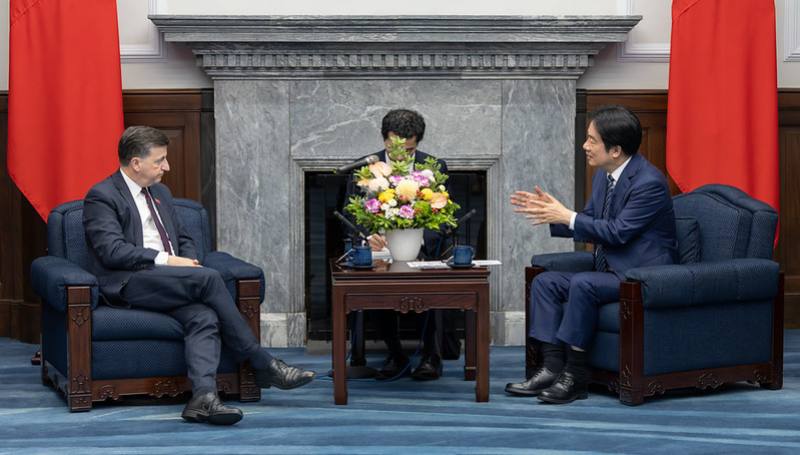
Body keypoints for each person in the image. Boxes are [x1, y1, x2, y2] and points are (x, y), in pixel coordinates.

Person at [83, 126, 315, 425]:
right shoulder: (101, 196)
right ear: (136, 163)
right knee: (208, 278)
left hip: (172, 281)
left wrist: (189, 259)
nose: (167, 167)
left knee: (203, 316)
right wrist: (169, 261)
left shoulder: (161, 193)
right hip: (129, 281)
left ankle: (203, 398)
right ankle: (262, 362)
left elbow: (183, 236)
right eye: (160, 160)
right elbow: (111, 251)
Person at [505, 105, 677, 404]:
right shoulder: (604, 176)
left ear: (615, 150)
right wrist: (554, 215)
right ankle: (551, 367)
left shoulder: (649, 183)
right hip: (610, 271)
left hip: (642, 275)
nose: (584, 146)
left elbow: (618, 232)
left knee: (583, 283)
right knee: (546, 282)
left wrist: (567, 215)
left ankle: (576, 377)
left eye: (591, 140)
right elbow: (591, 221)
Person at [344, 108, 456, 381]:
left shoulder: (433, 166)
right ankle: (395, 352)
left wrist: (419, 243)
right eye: (395, 147)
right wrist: (367, 238)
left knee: (433, 279)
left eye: (408, 149)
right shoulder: (364, 169)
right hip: (378, 249)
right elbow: (349, 214)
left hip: (422, 249)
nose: (401, 154)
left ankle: (431, 356)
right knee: (372, 280)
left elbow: (444, 218)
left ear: (417, 142)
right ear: (384, 140)